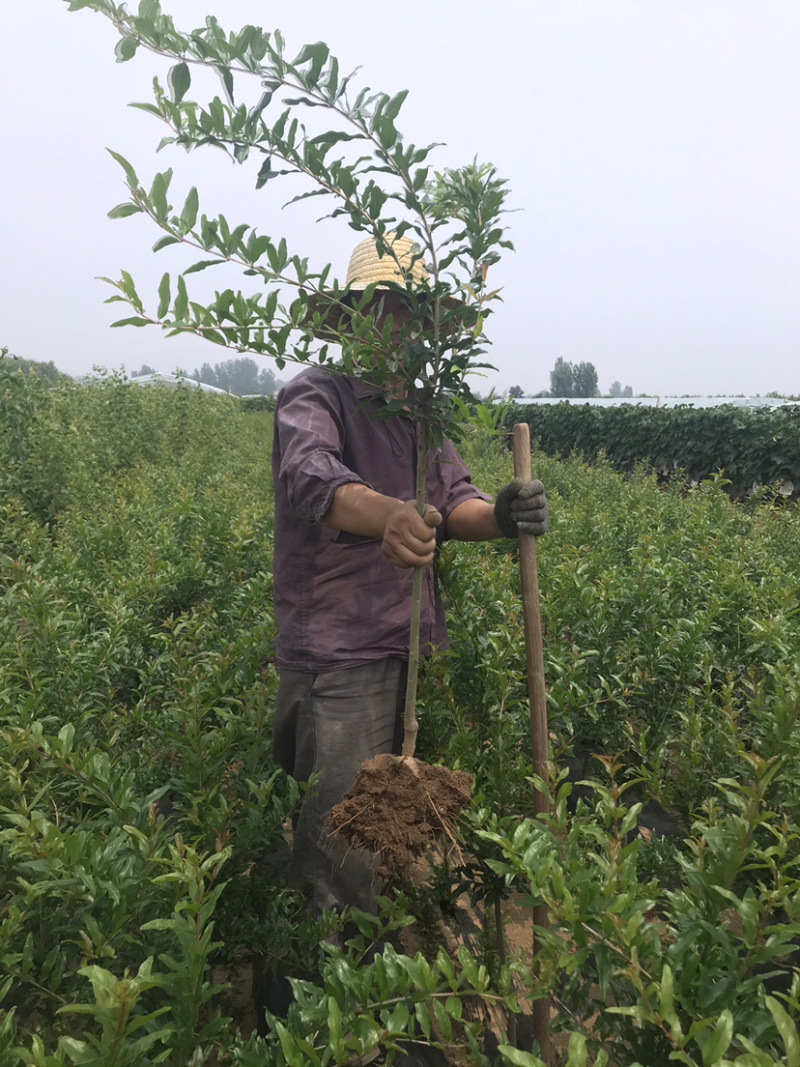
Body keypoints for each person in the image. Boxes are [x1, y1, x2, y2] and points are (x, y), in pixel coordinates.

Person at [270, 234, 547, 921]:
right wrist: (390, 513)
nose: (396, 328)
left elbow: (457, 503)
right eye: (380, 310)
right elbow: (315, 480)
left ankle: (371, 965)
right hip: (340, 656)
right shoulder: (314, 396)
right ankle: (312, 996)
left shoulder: (420, 416)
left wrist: (503, 514)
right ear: (354, 320)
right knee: (337, 841)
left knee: (386, 829)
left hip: (406, 646)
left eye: (410, 314)